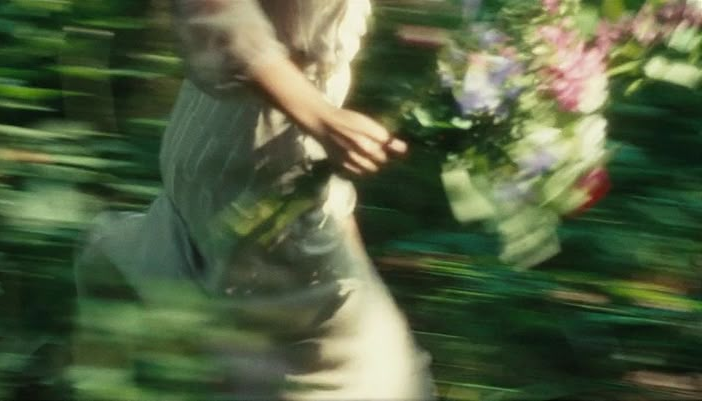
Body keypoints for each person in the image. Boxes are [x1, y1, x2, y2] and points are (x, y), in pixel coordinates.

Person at [74, 0, 435, 399]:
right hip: (256, 167)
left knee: (286, 360)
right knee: (380, 381)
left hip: (240, 160)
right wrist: (321, 119)